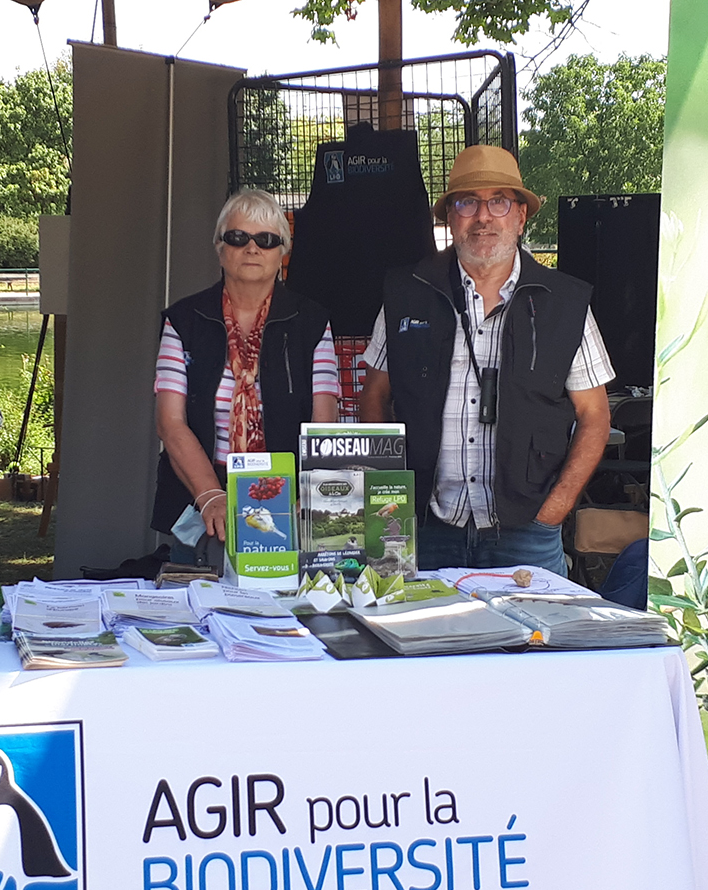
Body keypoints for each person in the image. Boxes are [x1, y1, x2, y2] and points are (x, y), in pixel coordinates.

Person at [359, 145, 615, 577]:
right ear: (450, 218)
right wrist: (392, 502)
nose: (483, 216)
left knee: (532, 644)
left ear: (520, 217)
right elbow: (374, 397)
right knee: (422, 643)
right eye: (467, 202)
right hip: (423, 527)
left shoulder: (565, 302)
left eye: (499, 201)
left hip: (527, 532)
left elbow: (595, 416)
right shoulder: (406, 292)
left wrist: (555, 509)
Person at [153, 188, 340, 564]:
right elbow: (170, 423)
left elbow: (324, 422)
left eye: (267, 240)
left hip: (288, 503)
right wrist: (210, 496)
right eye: (238, 237)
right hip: (200, 503)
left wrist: (309, 490)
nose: (252, 249)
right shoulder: (183, 319)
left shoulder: (313, 321)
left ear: (283, 251)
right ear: (220, 247)